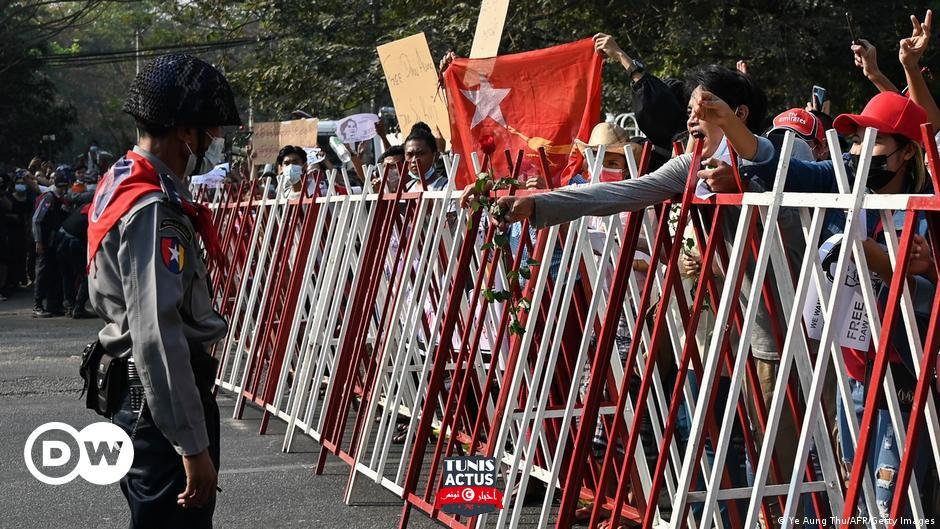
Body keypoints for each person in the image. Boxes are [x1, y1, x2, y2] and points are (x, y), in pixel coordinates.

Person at [87, 53, 240, 528]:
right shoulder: (154, 209)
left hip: (140, 400)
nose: (213, 145)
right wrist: (191, 445)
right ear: (184, 134)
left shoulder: (122, 180)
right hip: (160, 408)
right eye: (210, 134)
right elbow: (158, 334)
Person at [31, 168, 69, 317]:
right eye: (61, 186)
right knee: (42, 272)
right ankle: (37, 305)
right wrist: (38, 241)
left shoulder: (61, 198)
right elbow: (36, 220)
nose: (63, 189)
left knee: (55, 272)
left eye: (65, 186)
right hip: (44, 241)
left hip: (54, 241)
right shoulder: (49, 197)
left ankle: (54, 305)